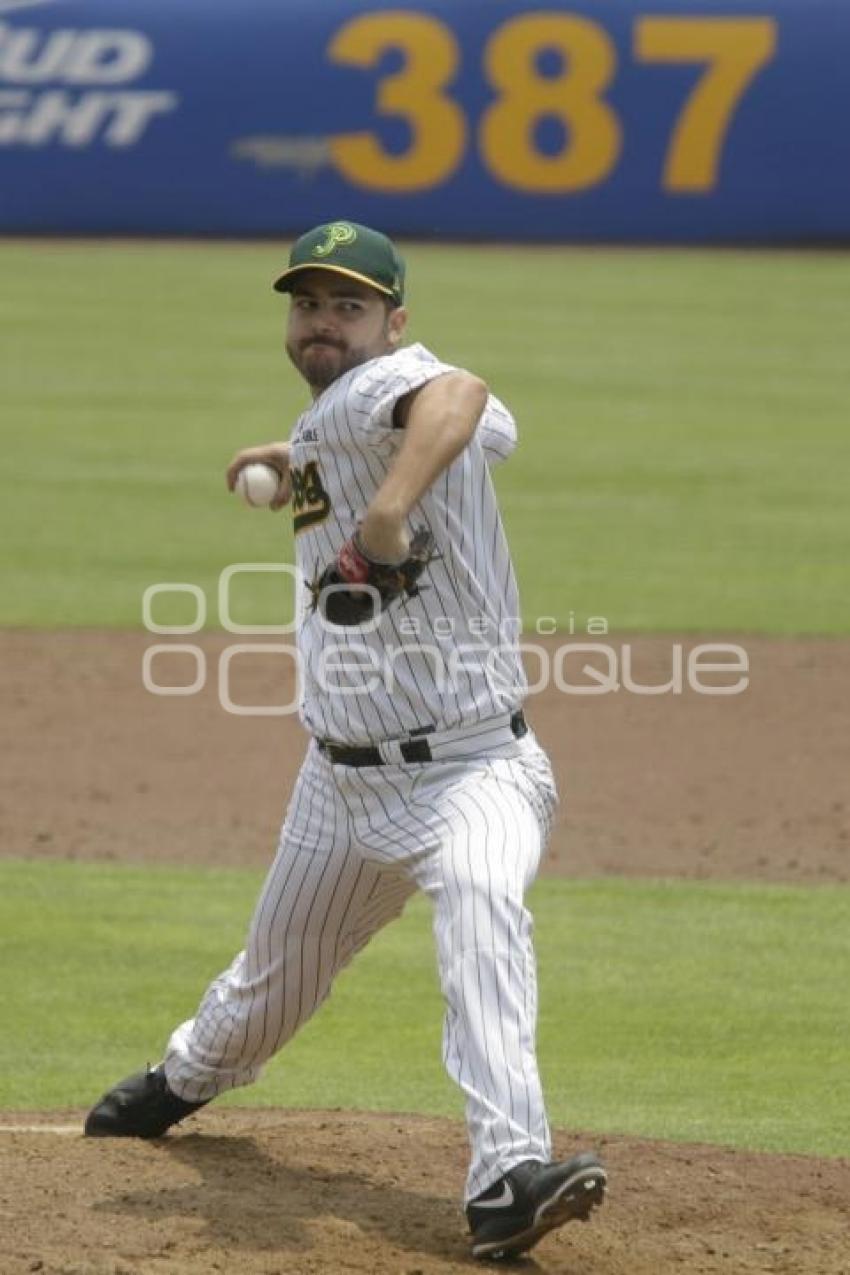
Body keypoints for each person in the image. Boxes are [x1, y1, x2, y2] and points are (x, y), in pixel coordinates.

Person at [85, 220, 607, 1261]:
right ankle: (189, 1075)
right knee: (271, 985)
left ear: (394, 322)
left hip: (474, 770)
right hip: (339, 788)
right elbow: (414, 425)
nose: (323, 322)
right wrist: (303, 457)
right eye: (308, 303)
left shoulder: (400, 383)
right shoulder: (345, 410)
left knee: (480, 905)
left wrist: (385, 516)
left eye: (349, 305)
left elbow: (452, 398)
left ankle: (508, 1174)